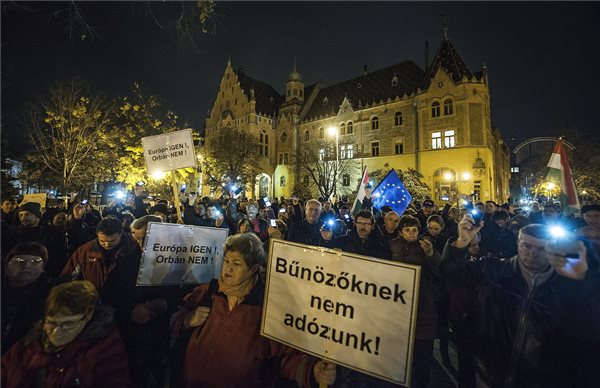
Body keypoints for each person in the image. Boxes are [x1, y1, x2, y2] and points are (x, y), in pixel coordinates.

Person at [441, 218, 600, 388]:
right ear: (518, 243)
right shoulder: (494, 271)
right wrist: (461, 242)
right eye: (527, 246)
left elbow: (587, 334)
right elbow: (452, 273)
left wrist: (581, 282)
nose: (533, 253)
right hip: (489, 376)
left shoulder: (565, 286)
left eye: (542, 248)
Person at [170, 233, 336, 387]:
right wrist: (187, 319)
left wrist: (313, 372)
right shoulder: (209, 291)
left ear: (253, 269)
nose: (228, 269)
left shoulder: (267, 307)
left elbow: (285, 357)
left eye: (237, 264)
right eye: (226, 261)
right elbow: (174, 317)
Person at [1, 280, 130, 387]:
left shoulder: (105, 350)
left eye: (68, 324)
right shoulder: (29, 344)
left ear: (88, 315)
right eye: (51, 322)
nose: (57, 331)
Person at [388, 215, 442, 388]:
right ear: (400, 232)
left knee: (423, 354)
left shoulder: (425, 246)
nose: (411, 234)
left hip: (423, 305)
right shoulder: (392, 246)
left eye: (414, 230)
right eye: (407, 230)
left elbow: (439, 270)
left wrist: (431, 253)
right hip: (399, 306)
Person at [1, 242, 53, 354]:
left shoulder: (50, 296)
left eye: (35, 262)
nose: (26, 266)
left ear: (43, 267)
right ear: (7, 265)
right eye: (19, 261)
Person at [2, 202, 67, 279]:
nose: (23, 218)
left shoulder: (53, 234)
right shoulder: (12, 233)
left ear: (37, 216)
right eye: (21, 215)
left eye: (27, 214)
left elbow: (58, 256)